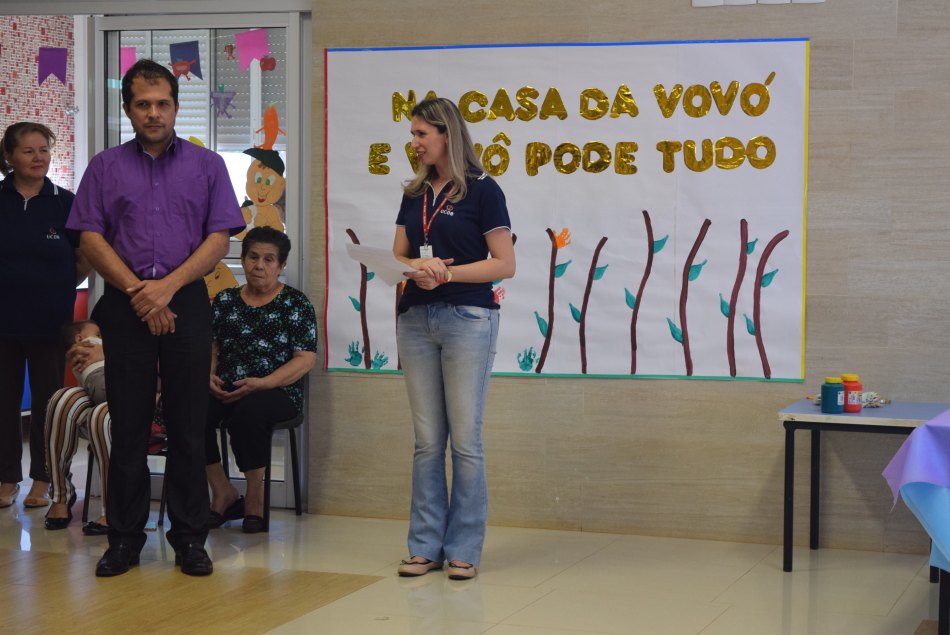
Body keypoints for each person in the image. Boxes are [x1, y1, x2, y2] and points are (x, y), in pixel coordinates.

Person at [67, 59, 244, 577]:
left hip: (185, 300)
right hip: (125, 306)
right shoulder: (104, 167)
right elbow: (90, 237)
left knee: (188, 426)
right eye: (142, 104)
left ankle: (190, 539)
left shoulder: (207, 165)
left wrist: (166, 288)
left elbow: (219, 238)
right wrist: (139, 293)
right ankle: (124, 540)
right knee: (128, 427)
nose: (153, 113)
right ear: (127, 109)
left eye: (162, 103)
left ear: (176, 106)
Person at [392, 98, 515, 580]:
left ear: (447, 134)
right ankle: (425, 546)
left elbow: (504, 263)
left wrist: (446, 273)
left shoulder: (484, 190)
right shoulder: (415, 192)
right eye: (413, 134)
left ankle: (464, 548)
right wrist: (416, 267)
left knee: (465, 441)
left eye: (421, 134)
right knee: (427, 442)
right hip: (415, 320)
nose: (414, 143)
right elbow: (400, 254)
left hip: (468, 318)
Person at [0, 121, 89, 510]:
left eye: (44, 150)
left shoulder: (66, 203)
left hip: (51, 322)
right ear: (9, 157)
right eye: (29, 151)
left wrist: (59, 288)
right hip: (3, 323)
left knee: (48, 405)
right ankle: (6, 478)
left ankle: (44, 478)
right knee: (3, 404)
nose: (39, 158)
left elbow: (84, 257)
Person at [205, 227, 316, 533]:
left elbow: (305, 359)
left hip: (276, 391)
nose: (259, 265)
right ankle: (223, 491)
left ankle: (255, 497)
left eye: (269, 259)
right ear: (243, 260)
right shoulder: (225, 300)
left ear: (281, 266)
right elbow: (212, 346)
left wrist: (264, 383)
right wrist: (208, 376)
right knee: (190, 409)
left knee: (248, 413)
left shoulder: (296, 303)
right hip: (226, 386)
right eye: (253, 257)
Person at [44, 320, 110, 532]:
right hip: (103, 388)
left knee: (101, 416)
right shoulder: (110, 311)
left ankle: (113, 509)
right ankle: (61, 495)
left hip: (143, 394)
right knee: (62, 401)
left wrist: (111, 353)